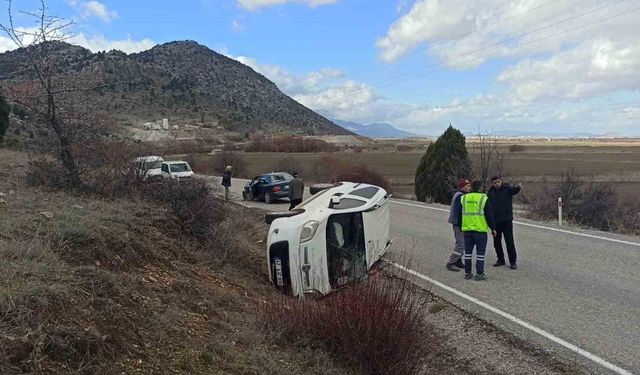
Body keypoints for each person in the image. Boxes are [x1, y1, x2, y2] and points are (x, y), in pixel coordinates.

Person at [459, 180, 496, 281]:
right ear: (480, 188)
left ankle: (467, 273)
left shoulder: (464, 198)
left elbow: (459, 213)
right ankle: (479, 273)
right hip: (480, 230)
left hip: (467, 230)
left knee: (468, 253)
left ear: (471, 188)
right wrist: (493, 228)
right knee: (480, 254)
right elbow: (489, 215)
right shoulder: (483, 198)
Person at [487, 176, 522, 270]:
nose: (496, 184)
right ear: (492, 184)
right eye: (494, 183)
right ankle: (500, 259)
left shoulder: (507, 189)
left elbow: (514, 191)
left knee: (509, 241)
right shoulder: (490, 193)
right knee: (496, 242)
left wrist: (517, 187)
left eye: (498, 182)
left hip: (506, 220)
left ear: (501, 181)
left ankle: (513, 261)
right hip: (495, 221)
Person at [445, 178, 471, 272]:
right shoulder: (460, 196)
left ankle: (458, 260)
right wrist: (461, 225)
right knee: (461, 243)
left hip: (460, 223)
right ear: (462, 187)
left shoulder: (462, 195)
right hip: (458, 223)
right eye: (467, 186)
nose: (469, 188)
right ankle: (451, 262)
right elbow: (458, 212)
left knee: (463, 243)